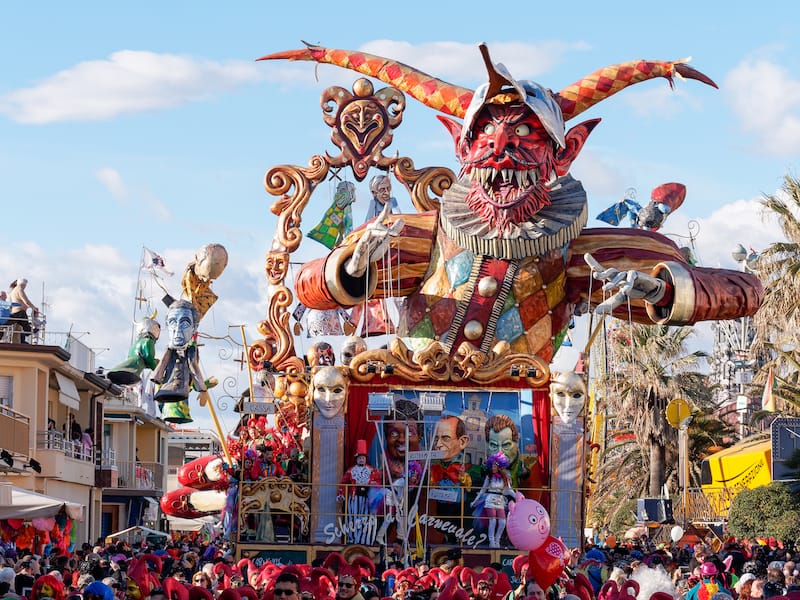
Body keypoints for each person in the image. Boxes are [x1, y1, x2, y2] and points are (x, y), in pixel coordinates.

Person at [337, 440, 381, 545]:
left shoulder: (372, 470)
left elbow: (378, 483)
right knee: (354, 518)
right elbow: (343, 483)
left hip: (367, 498)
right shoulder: (351, 470)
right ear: (356, 459)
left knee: (366, 519)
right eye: (360, 458)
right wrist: (341, 494)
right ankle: (352, 540)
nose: (361, 460)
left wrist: (375, 487)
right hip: (354, 497)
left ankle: (366, 540)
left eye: (363, 458)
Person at [471, 452, 515, 548]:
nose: (493, 468)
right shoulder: (489, 477)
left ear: (499, 467)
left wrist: (518, 497)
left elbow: (509, 490)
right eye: (492, 466)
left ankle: (497, 539)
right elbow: (483, 489)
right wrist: (475, 501)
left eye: (495, 466)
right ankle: (492, 542)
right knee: (493, 521)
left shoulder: (505, 478)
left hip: (500, 500)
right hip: (490, 499)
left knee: (503, 522)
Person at [7, 279, 38, 344]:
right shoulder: (19, 289)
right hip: (18, 311)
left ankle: (17, 342)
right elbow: (26, 300)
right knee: (19, 327)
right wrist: (33, 307)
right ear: (23, 284)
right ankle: (28, 331)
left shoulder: (14, 290)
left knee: (17, 330)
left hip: (15, 311)